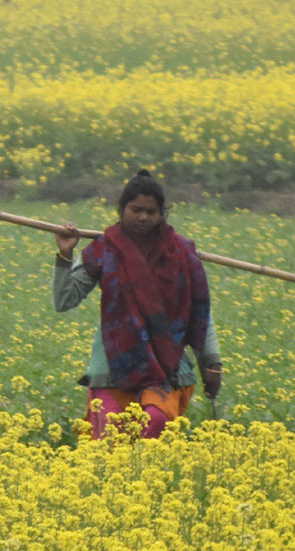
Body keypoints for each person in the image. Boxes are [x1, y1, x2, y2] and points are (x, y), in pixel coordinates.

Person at [53, 171, 222, 439]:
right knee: (109, 437)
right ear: (122, 210)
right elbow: (64, 300)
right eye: (136, 210)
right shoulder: (104, 250)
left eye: (151, 212)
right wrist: (65, 254)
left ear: (162, 214)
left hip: (166, 370)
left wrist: (212, 365)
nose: (143, 217)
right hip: (112, 367)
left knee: (155, 424)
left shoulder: (181, 254)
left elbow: (199, 313)